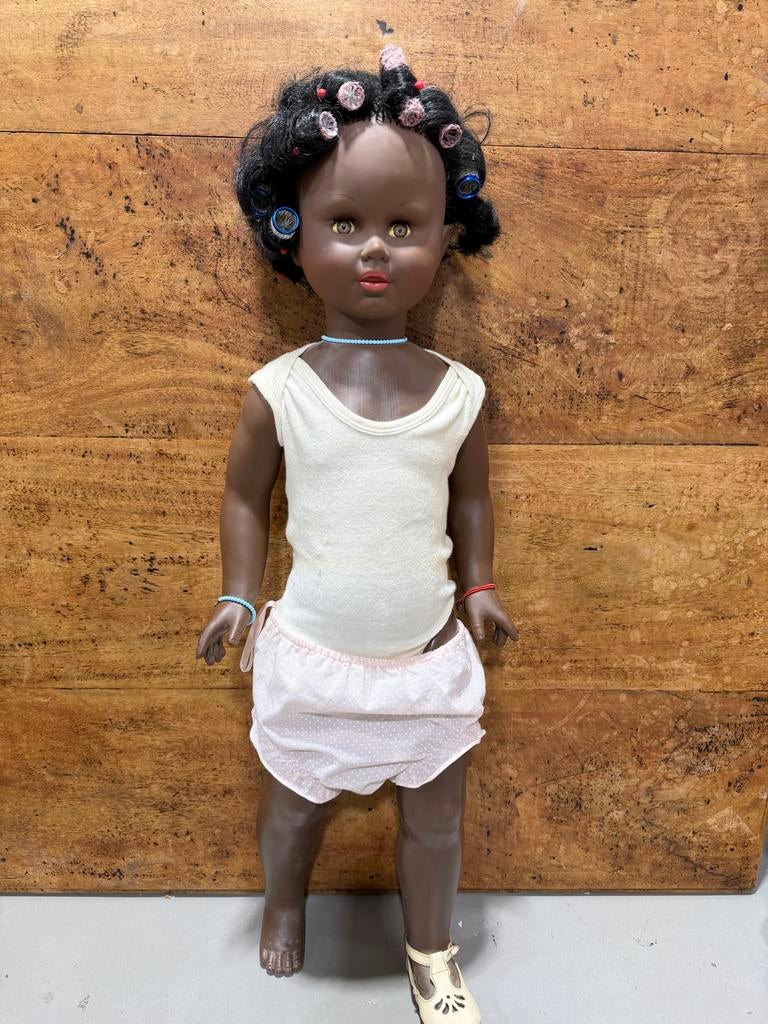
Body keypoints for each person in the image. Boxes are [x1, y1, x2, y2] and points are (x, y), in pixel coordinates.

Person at [196, 44, 518, 1024]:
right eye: (345, 224)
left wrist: (479, 587)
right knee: (296, 807)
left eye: (402, 227)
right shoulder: (280, 390)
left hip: (427, 660)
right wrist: (238, 594)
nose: (374, 250)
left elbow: (470, 504)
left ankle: (432, 953)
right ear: (289, 236)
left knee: (437, 822)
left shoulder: (459, 393)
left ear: (446, 239)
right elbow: (245, 497)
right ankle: (283, 900)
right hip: (315, 655)